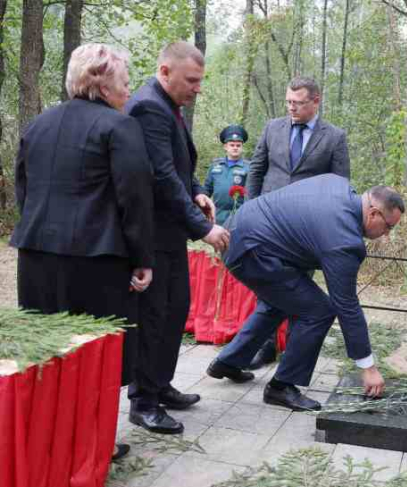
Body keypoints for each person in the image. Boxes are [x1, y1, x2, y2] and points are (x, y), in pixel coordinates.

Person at [10, 43, 154, 461]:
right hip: (97, 262)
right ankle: (89, 447)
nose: (128, 92)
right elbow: (134, 199)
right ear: (104, 85)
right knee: (93, 356)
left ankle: (46, 443)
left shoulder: (38, 124)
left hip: (36, 256)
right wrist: (143, 259)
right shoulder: (120, 127)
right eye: (125, 83)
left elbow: (25, 191)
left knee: (47, 354)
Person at [207, 174, 403, 410]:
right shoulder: (344, 239)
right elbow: (346, 304)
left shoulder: (336, 183)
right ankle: (281, 387)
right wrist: (368, 367)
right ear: (373, 214)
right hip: (250, 251)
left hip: (243, 231)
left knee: (282, 300)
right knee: (319, 310)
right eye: (389, 226)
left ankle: (228, 362)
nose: (387, 234)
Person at [125, 41, 231, 434]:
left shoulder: (170, 106)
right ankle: (143, 401)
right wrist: (203, 228)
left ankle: (161, 384)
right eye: (192, 80)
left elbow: (181, 168)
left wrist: (199, 190)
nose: (197, 88)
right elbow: (162, 176)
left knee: (173, 313)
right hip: (151, 236)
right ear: (165, 71)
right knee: (153, 319)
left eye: (200, 81)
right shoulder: (148, 106)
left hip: (170, 235)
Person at [245, 76, 351, 370]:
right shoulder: (272, 128)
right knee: (266, 289)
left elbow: (339, 187)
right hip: (266, 226)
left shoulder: (334, 137)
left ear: (315, 101)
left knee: (301, 293)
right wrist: (250, 210)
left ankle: (292, 356)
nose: (291, 108)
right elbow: (256, 171)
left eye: (298, 103)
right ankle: (263, 348)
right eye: (288, 102)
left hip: (305, 232)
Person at [204, 124, 250, 225]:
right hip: (217, 216)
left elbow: (251, 194)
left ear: (242, 147)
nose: (235, 148)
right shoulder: (215, 166)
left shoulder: (249, 168)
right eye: (232, 145)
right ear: (225, 147)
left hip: (238, 216)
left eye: (238, 145)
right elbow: (207, 190)